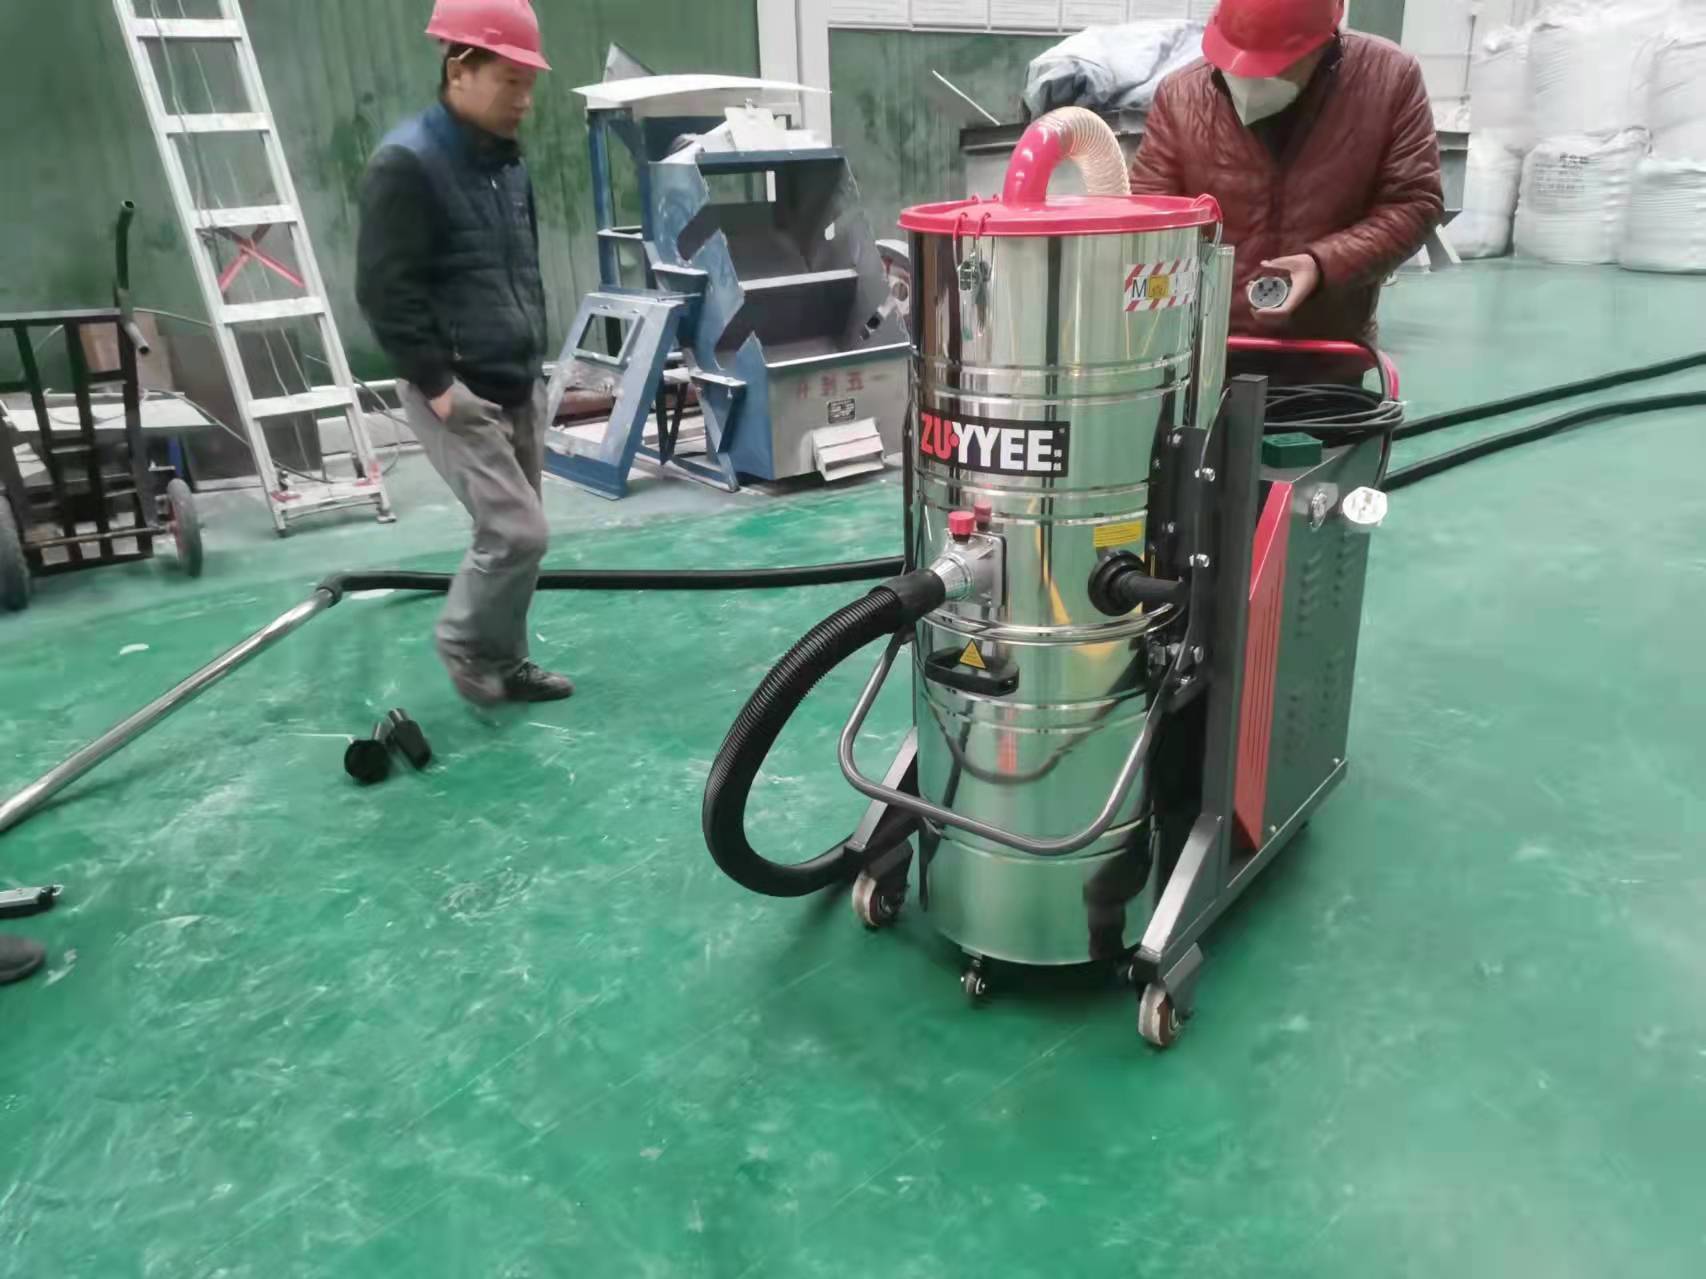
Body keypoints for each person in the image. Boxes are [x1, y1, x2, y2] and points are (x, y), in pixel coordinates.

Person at [356, 0, 573, 706]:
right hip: (457, 388)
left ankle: (507, 661)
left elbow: (518, 269)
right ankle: (463, 640)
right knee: (517, 533)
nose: (525, 99)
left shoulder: (506, 165)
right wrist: (439, 386)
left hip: (516, 381)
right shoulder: (407, 165)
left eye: (528, 83)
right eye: (510, 81)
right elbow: (385, 293)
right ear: (460, 69)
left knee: (515, 542)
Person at [1128, 0, 1443, 359]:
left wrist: (1323, 264)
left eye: (1271, 69)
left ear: (1322, 45)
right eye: (1237, 65)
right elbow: (1150, 219)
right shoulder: (1181, 96)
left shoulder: (1388, 80)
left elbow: (1415, 204)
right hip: (1204, 353)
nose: (1249, 81)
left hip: (1328, 350)